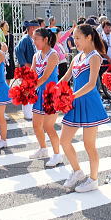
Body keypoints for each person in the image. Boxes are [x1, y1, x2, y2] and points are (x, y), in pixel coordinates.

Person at [59, 24, 109, 192]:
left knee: (89, 145)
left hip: (89, 102)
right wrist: (52, 91)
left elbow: (91, 84)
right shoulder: (77, 57)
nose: (75, 41)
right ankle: (77, 171)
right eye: (73, 38)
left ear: (89, 37)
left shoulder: (94, 57)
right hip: (74, 102)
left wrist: (70, 96)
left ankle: (93, 179)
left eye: (78, 38)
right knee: (64, 141)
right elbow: (65, 78)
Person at [30, 28, 63, 167]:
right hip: (38, 92)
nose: (34, 41)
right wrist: (24, 85)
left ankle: (57, 155)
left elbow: (44, 77)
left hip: (50, 93)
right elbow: (32, 73)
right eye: (33, 38)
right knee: (36, 125)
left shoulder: (53, 54)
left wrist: (30, 88)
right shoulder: (36, 55)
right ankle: (43, 149)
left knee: (49, 126)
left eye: (36, 39)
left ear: (45, 40)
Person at [16, 21, 38, 119]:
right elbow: (18, 51)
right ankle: (28, 114)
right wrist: (25, 64)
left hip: (31, 68)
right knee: (27, 91)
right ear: (32, 28)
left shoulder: (31, 39)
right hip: (27, 69)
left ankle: (30, 112)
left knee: (31, 90)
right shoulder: (25, 39)